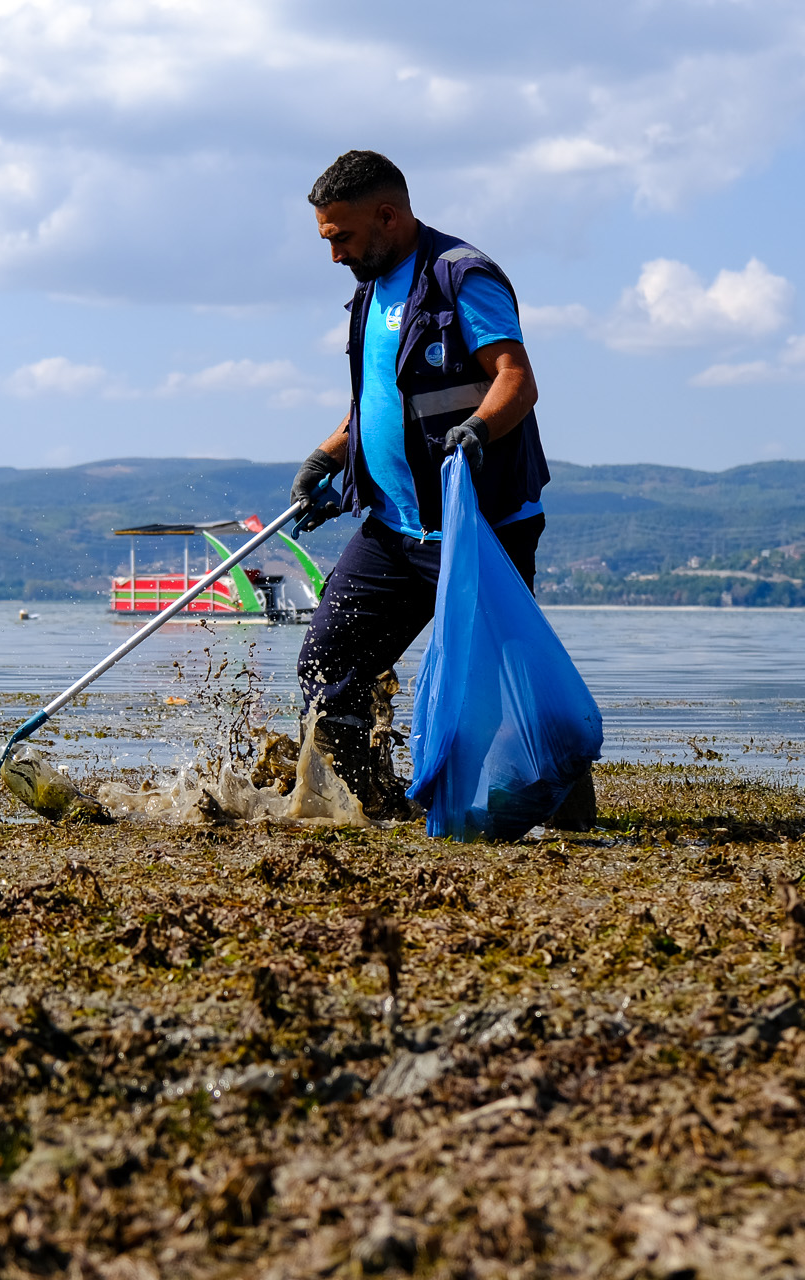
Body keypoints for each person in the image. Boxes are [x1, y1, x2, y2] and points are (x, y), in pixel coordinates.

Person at [290, 150, 594, 828]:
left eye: (339, 234)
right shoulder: (369, 288)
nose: (333, 253)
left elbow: (516, 377)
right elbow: (378, 401)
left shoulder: (463, 278)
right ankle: (378, 807)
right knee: (328, 665)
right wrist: (328, 454)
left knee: (499, 689)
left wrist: (479, 430)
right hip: (393, 529)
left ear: (387, 215)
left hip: (478, 526)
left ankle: (569, 812)